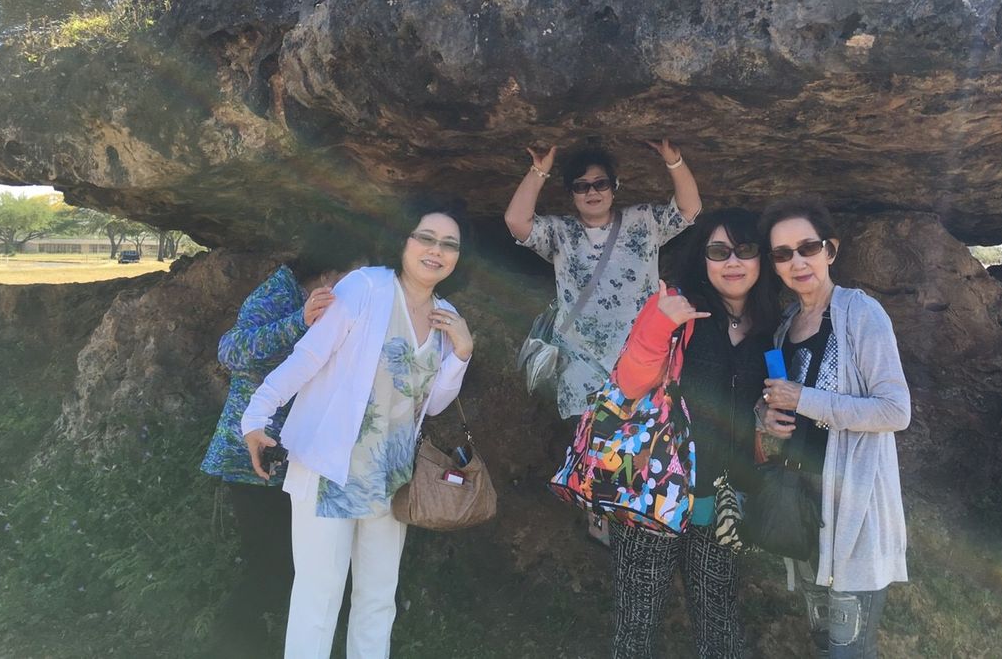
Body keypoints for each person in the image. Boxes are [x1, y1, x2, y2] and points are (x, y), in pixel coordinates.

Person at [240, 200, 475, 659]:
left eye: (449, 244)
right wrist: (257, 415)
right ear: (403, 240)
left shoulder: (446, 316)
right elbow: (310, 355)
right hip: (331, 469)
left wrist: (462, 353)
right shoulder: (366, 287)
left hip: (391, 479)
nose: (436, 250)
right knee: (319, 597)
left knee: (377, 600)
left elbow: (433, 403)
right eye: (426, 238)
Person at [609, 208, 779, 658]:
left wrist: (769, 417)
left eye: (744, 250)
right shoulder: (675, 309)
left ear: (761, 259)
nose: (733, 262)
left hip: (722, 496)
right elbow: (629, 384)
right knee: (637, 621)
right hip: (655, 490)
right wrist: (658, 324)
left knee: (718, 621)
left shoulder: (770, 327)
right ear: (702, 259)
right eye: (718, 252)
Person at [756, 197, 911, 659]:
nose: (798, 262)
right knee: (822, 639)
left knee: (849, 650)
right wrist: (766, 417)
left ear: (831, 250)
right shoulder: (786, 325)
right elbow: (780, 403)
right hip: (803, 505)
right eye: (783, 254)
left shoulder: (861, 314)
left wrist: (803, 399)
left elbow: (895, 411)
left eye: (808, 247)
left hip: (853, 510)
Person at [199, 258, 348, 654]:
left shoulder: (340, 311)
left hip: (301, 461)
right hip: (251, 458)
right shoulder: (279, 292)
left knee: (303, 568)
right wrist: (299, 321)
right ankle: (231, 646)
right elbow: (232, 350)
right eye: (349, 277)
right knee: (269, 568)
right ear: (328, 273)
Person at [504, 141, 702, 419]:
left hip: (640, 362)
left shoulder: (643, 221)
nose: (592, 192)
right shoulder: (561, 232)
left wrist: (674, 161)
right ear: (571, 193)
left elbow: (688, 209)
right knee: (586, 443)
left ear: (614, 186)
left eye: (600, 183)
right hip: (581, 370)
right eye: (581, 186)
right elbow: (516, 221)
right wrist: (539, 171)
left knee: (642, 441)